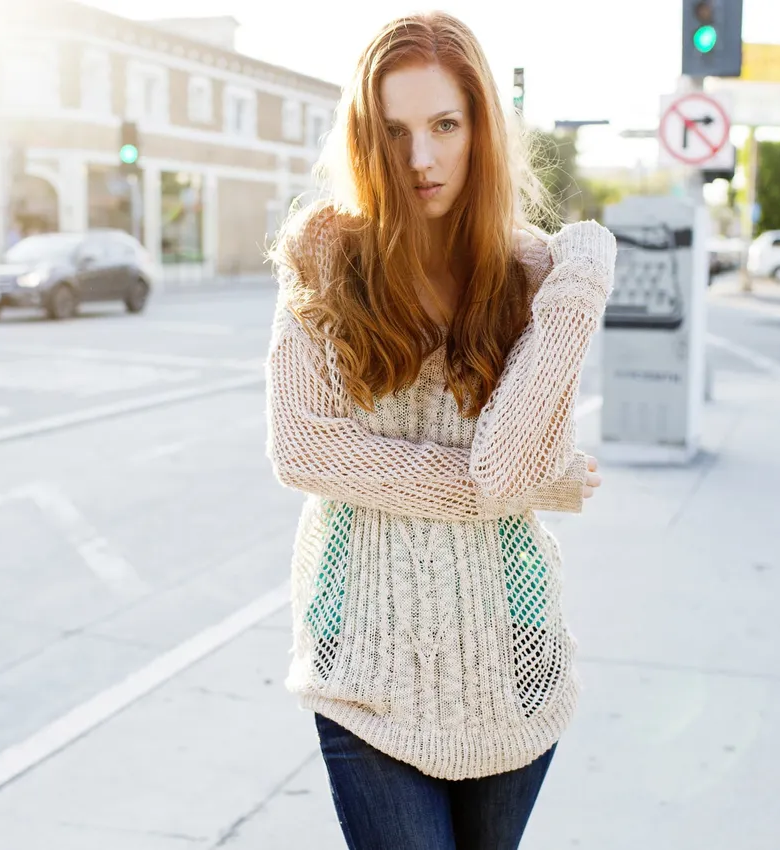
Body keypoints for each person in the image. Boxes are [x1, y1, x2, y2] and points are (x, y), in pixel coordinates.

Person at [264, 12, 615, 849]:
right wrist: (542, 480)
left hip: (513, 653)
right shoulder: (324, 252)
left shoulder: (537, 273)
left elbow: (511, 465)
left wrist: (581, 286)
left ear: (481, 127)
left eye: (444, 126)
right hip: (363, 660)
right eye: (394, 132)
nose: (420, 159)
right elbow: (304, 447)